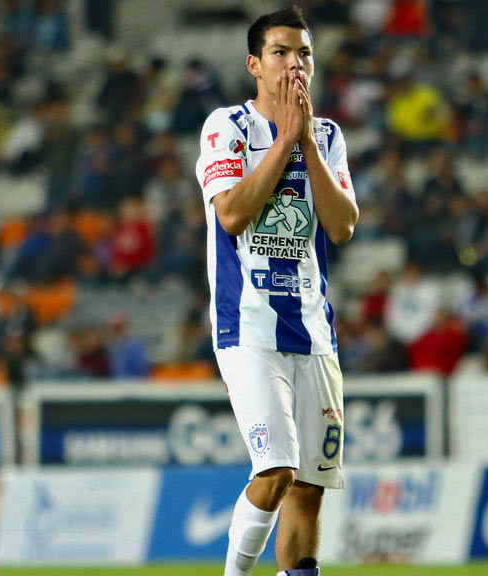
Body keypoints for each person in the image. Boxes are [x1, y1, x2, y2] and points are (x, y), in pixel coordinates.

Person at [194, 8, 358, 576]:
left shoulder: (330, 135)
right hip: (249, 328)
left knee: (308, 488)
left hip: (314, 332)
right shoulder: (227, 127)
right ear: (254, 66)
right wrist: (283, 139)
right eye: (282, 53)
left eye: (304, 53)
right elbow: (234, 214)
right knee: (276, 472)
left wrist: (305, 143)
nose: (295, 64)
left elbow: (341, 226)